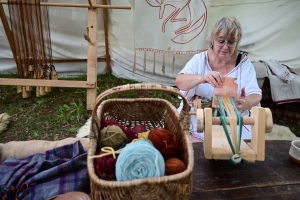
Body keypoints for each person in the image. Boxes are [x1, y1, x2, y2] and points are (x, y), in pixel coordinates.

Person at [175, 16, 262, 139]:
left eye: (231, 42)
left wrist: (246, 102)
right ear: (212, 40)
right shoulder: (200, 60)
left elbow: (255, 94)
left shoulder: (243, 64)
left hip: (232, 119)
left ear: (237, 43)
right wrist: (203, 78)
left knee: (235, 147)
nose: (226, 47)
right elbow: (180, 81)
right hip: (198, 115)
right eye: (221, 41)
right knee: (192, 144)